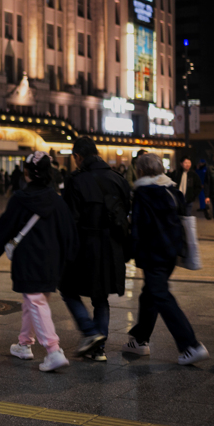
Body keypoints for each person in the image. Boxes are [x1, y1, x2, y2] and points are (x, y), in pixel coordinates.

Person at [0, 152, 77, 373]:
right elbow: (70, 234)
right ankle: (24, 344)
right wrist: (70, 262)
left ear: (26, 173)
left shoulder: (20, 199)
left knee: (35, 300)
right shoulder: (57, 201)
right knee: (33, 299)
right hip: (52, 262)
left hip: (28, 261)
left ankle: (53, 350)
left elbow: (0, 233)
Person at [123, 153, 209, 365]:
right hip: (172, 252)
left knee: (160, 294)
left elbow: (138, 228)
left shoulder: (143, 193)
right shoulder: (172, 189)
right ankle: (140, 340)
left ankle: (190, 345)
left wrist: (128, 253)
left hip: (153, 253)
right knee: (150, 294)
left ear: (140, 171)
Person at [59, 137, 131, 362]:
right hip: (112, 248)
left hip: (86, 246)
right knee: (101, 298)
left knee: (67, 288)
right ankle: (98, 349)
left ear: (78, 157)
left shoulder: (76, 180)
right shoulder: (118, 179)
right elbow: (125, 210)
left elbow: (69, 219)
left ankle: (90, 333)